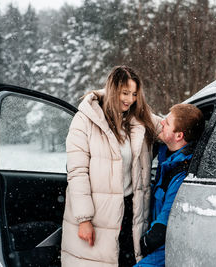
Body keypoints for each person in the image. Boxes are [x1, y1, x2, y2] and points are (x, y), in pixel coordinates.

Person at [61, 66, 162, 267]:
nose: (130, 99)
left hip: (130, 212)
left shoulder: (139, 117)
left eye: (134, 94)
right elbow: (77, 172)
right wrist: (84, 219)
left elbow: (170, 130)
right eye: (125, 93)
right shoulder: (85, 120)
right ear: (112, 88)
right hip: (98, 214)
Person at [135, 104, 205, 267]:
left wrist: (147, 241)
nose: (162, 123)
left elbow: (166, 222)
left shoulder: (181, 173)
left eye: (167, 122)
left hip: (165, 247)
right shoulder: (167, 156)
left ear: (179, 135)